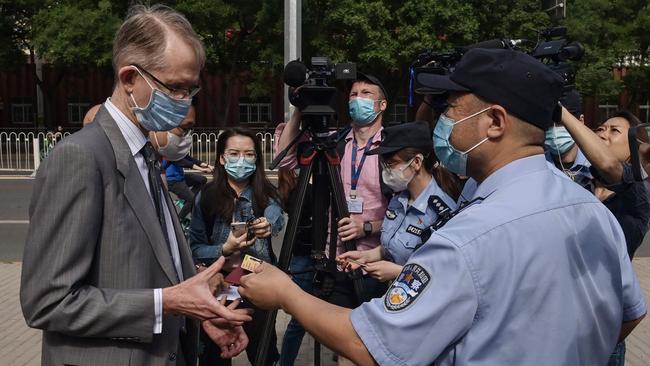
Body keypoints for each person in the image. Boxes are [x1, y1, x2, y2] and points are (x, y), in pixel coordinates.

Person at [238, 48, 647, 365]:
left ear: (496, 122)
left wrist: (287, 295)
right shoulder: (590, 209)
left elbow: (375, 346)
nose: (441, 123)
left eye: (451, 109)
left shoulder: (467, 238)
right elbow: (627, 314)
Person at [20, 5, 252, 366]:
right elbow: (47, 302)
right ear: (129, 78)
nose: (184, 102)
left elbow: (156, 266)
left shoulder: (145, 153)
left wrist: (201, 313)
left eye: (190, 89)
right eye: (174, 88)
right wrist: (168, 303)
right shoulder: (81, 157)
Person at [276, 73, 391, 365]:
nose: (357, 99)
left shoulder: (392, 147)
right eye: (353, 94)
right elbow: (285, 159)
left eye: (366, 94)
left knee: (378, 348)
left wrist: (367, 227)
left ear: (381, 105)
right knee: (345, 349)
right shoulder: (335, 142)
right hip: (336, 259)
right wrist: (301, 107)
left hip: (378, 263)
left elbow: (406, 208)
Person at [561, 107, 650, 366]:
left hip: (603, 330)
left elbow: (610, 166)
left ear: (635, 145)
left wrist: (561, 112)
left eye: (614, 131)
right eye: (600, 128)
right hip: (565, 323)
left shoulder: (639, 194)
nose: (603, 134)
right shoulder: (581, 184)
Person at [189, 127, 284, 365]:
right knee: (215, 354)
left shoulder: (266, 193)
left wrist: (268, 225)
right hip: (218, 285)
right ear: (222, 158)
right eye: (234, 153)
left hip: (257, 284)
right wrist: (224, 249)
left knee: (264, 353)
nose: (242, 160)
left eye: (249, 154)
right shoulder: (207, 196)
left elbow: (276, 215)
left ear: (257, 159)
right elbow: (195, 248)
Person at [336, 121, 458, 282]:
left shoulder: (441, 210)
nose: (387, 171)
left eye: (391, 164)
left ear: (416, 162)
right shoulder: (398, 199)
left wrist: (399, 272)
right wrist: (364, 257)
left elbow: (448, 273)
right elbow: (390, 249)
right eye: (384, 165)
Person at [276, 166, 314, 366]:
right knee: (299, 319)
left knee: (298, 321)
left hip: (299, 253)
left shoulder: (288, 187)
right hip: (306, 254)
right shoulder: (302, 189)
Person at [153, 105, 213, 220]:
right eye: (184, 128)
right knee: (193, 200)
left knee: (202, 180)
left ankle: (185, 199)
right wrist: (200, 169)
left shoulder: (176, 148)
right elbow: (181, 161)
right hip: (172, 181)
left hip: (180, 178)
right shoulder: (165, 148)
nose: (185, 134)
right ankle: (180, 219)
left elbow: (187, 157)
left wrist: (205, 165)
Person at [544, 90, 594, 191]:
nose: (554, 129)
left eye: (561, 122)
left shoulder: (596, 166)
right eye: (549, 123)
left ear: (580, 121)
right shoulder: (537, 166)